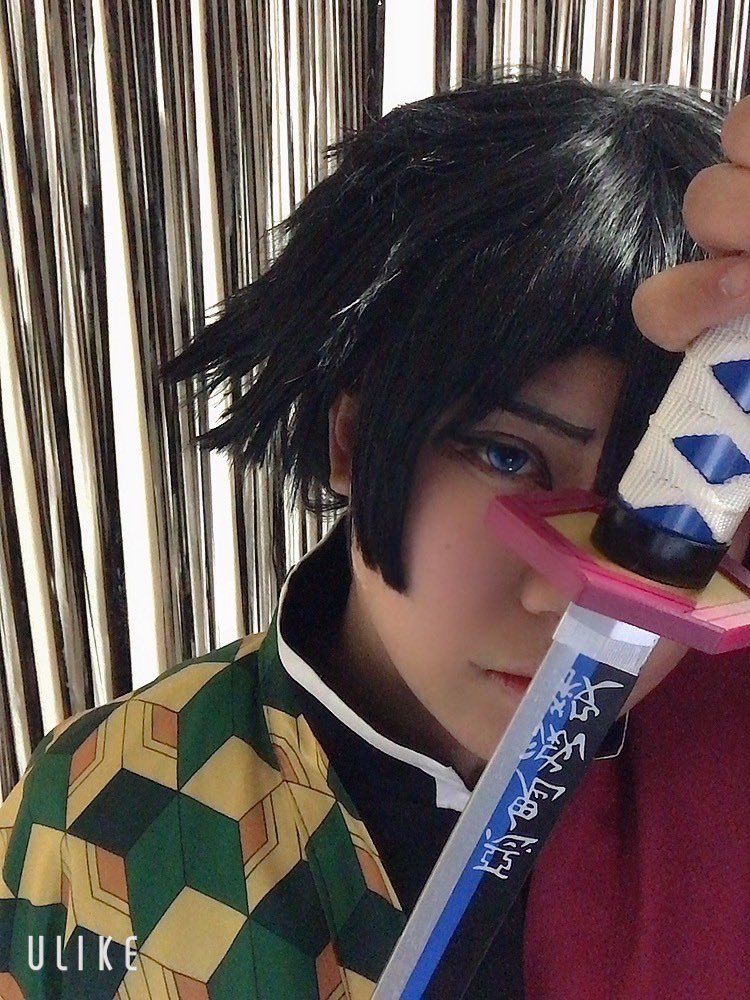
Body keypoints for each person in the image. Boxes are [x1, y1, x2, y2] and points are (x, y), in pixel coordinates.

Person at [2, 70, 750, 999]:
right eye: (508, 456)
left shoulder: (724, 761)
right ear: (353, 437)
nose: (568, 596)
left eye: (671, 522)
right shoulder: (102, 804)